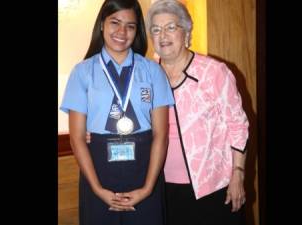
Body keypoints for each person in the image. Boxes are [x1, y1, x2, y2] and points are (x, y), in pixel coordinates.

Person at [60, 0, 174, 224]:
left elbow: (161, 134)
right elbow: (76, 138)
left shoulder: (152, 71)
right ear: (102, 24)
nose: (122, 32)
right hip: (99, 170)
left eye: (130, 26)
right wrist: (97, 189)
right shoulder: (82, 72)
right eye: (115, 22)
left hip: (144, 168)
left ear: (137, 30)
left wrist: (148, 188)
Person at [146, 1, 249, 225]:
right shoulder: (146, 75)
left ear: (186, 31)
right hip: (160, 186)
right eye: (156, 29)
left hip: (212, 188)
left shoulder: (213, 72)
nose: (163, 35)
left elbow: (238, 125)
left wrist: (238, 173)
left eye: (171, 27)